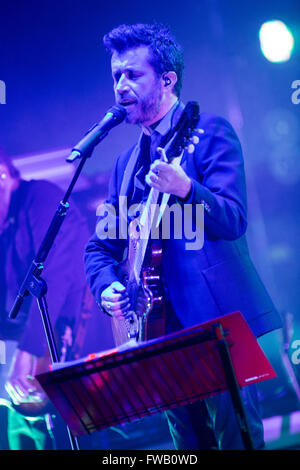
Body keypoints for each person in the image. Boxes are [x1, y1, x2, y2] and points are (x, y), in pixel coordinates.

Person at [84, 23, 283, 450]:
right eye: (116, 75)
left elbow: (232, 220)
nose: (120, 85)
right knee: (187, 446)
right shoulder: (123, 164)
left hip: (215, 326)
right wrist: (108, 289)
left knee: (236, 439)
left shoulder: (208, 133)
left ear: (168, 80)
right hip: (155, 332)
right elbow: (100, 247)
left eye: (133, 75)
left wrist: (188, 189)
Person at [0, 148, 91, 448]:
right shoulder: (7, 230)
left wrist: (25, 354)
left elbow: (56, 274)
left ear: (6, 176)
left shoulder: (38, 197)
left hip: (77, 341)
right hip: (37, 355)